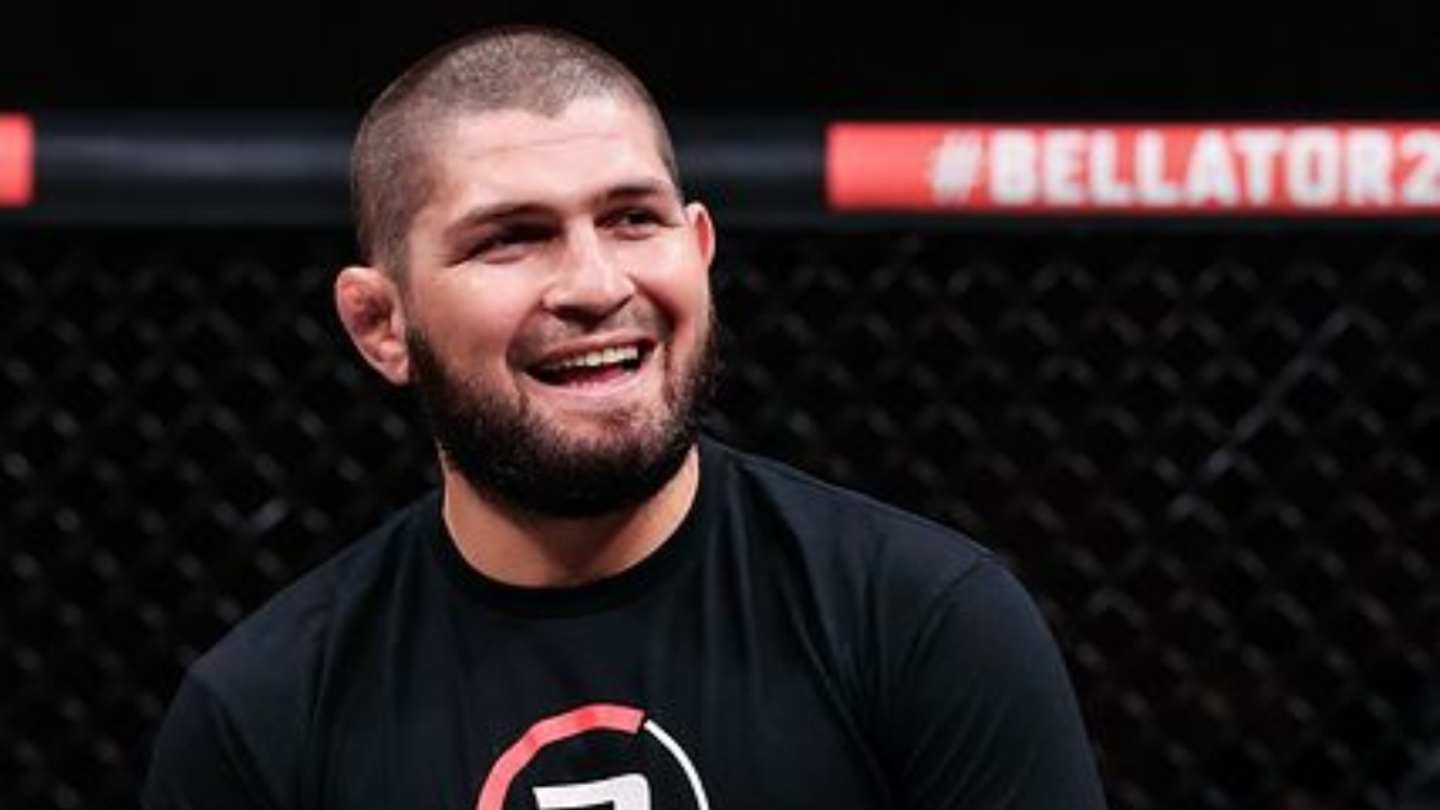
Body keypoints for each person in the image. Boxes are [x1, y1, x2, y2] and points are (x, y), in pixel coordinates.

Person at [143, 25, 1107, 810]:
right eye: (511, 239)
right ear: (379, 323)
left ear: (699, 248)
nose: (596, 284)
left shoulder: (923, 624)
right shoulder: (266, 715)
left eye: (632, 219)